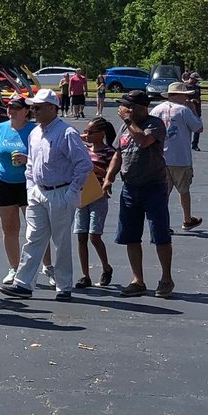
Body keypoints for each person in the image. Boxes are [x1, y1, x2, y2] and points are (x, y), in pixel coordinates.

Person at [9, 89, 91, 301]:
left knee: (61, 240)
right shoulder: (35, 132)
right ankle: (23, 283)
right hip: (38, 191)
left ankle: (64, 286)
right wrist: (30, 188)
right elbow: (30, 164)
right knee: (33, 237)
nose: (33, 110)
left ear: (52, 108)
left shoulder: (67, 132)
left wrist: (72, 192)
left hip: (60, 191)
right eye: (32, 107)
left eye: (37, 107)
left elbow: (83, 164)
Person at [104, 89, 174, 298]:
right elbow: (119, 152)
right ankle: (138, 280)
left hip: (153, 187)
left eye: (127, 106)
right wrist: (109, 177)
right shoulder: (125, 128)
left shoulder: (155, 124)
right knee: (130, 236)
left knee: (160, 235)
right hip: (130, 188)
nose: (122, 109)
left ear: (139, 108)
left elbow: (143, 141)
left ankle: (166, 278)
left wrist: (128, 121)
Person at [0, 97, 35, 279]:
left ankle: (46, 266)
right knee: (9, 229)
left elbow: (45, 158)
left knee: (36, 228)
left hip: (27, 183)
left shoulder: (34, 130)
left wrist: (27, 159)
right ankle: (14, 268)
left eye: (15, 107)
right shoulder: (0, 128)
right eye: (9, 106)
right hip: (2, 182)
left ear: (25, 111)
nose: (11, 110)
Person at [153, 81, 205, 230]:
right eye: (185, 96)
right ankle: (187, 219)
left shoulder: (156, 110)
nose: (186, 99)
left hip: (161, 157)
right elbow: (199, 128)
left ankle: (163, 223)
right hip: (181, 158)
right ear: (179, 95)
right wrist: (194, 110)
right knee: (184, 190)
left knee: (163, 193)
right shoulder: (184, 110)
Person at [74, 117, 116, 289]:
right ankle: (85, 275)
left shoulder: (109, 152)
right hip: (82, 194)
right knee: (81, 235)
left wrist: (90, 166)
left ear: (102, 134)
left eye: (92, 132)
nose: (88, 135)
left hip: (98, 195)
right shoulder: (84, 150)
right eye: (87, 131)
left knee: (94, 235)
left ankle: (106, 267)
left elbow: (108, 173)